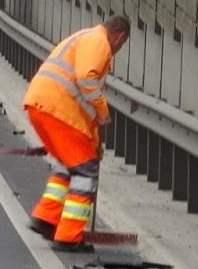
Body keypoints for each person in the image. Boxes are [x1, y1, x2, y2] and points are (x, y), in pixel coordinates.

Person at [24, 14, 130, 253]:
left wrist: (93, 140)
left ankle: (46, 218)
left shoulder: (84, 36)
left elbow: (80, 96)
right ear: (120, 37)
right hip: (59, 110)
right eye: (121, 45)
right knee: (85, 171)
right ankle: (69, 236)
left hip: (41, 105)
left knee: (68, 164)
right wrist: (103, 112)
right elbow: (86, 80)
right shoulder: (100, 43)